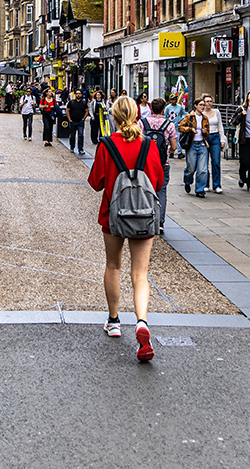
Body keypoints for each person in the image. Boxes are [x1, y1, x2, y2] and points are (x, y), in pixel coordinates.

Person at [88, 95, 163, 363]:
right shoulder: (149, 145)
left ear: (114, 117)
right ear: (136, 114)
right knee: (140, 274)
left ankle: (114, 321)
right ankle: (142, 322)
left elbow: (96, 182)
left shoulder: (106, 145)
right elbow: (158, 180)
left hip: (113, 214)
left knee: (113, 266)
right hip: (143, 215)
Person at [141, 98, 175, 230]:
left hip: (145, 162)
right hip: (162, 163)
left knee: (145, 189)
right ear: (163, 109)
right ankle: (160, 222)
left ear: (151, 109)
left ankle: (146, 217)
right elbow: (174, 146)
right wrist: (167, 151)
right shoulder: (169, 125)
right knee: (161, 190)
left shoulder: (143, 123)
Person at [178, 96, 212, 198]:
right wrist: (190, 129)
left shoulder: (205, 118)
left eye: (203, 105)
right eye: (201, 105)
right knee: (191, 168)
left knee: (203, 169)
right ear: (195, 106)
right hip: (192, 145)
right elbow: (180, 127)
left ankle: (200, 190)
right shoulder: (189, 117)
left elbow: (207, 133)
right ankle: (187, 181)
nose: (203, 107)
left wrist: (205, 132)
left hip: (202, 144)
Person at [66, 89, 89, 156]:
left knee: (80, 135)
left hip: (80, 121)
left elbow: (87, 111)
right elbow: (67, 110)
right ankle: (72, 146)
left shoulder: (84, 102)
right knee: (72, 135)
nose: (78, 95)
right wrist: (69, 119)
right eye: (77, 93)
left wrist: (83, 118)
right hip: (73, 121)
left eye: (79, 93)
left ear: (81, 94)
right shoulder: (71, 102)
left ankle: (80, 148)